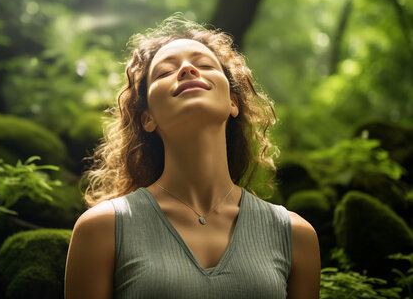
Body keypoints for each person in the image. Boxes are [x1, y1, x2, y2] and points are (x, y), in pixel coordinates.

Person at [64, 15, 320, 298]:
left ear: (233, 102)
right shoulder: (103, 229)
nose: (187, 69)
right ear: (148, 119)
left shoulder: (295, 236)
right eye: (164, 72)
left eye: (205, 65)